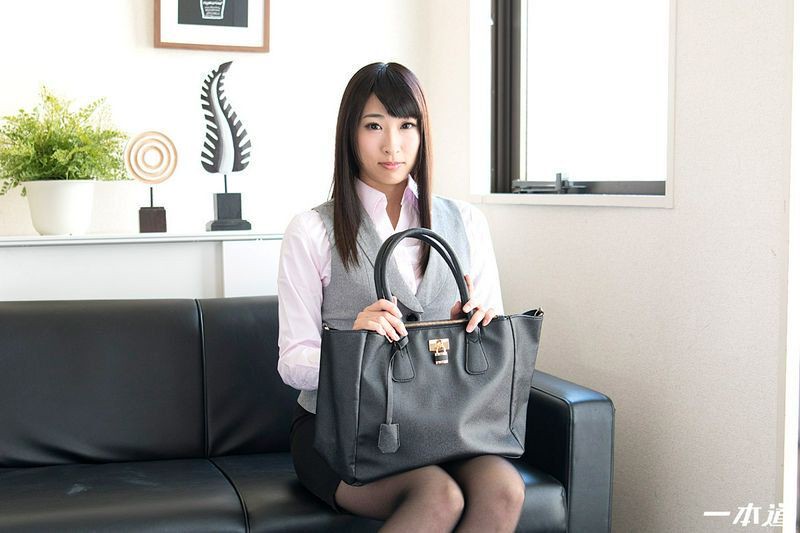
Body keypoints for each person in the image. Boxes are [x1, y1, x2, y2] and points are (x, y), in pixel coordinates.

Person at [277, 62, 525, 532]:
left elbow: (492, 342)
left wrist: (475, 323)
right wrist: (353, 343)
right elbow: (292, 363)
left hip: (443, 424)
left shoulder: (466, 222)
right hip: (340, 431)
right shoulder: (311, 230)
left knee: (505, 489)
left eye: (406, 125)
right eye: (374, 126)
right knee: (439, 497)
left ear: (422, 132)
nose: (392, 145)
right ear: (350, 134)